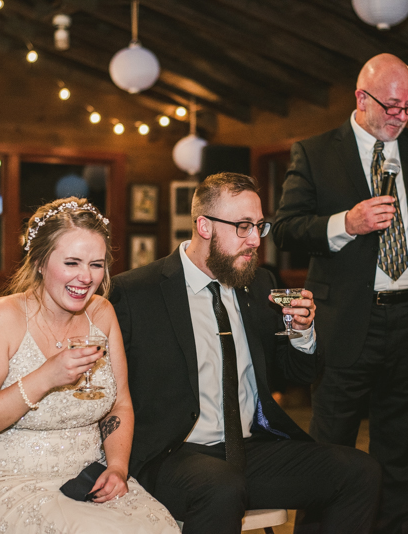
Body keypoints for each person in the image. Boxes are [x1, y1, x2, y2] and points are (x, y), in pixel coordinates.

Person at [109, 172, 381, 534]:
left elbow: (294, 375)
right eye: (243, 226)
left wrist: (301, 335)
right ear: (204, 226)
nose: (255, 239)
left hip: (249, 449)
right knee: (221, 486)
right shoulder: (135, 292)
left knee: (360, 472)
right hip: (172, 455)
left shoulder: (259, 284)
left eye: (259, 226)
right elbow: (109, 391)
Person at [273, 53, 408, 534]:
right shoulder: (316, 152)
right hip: (346, 324)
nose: (401, 116)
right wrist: (347, 222)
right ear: (361, 99)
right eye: (392, 106)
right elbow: (286, 229)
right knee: (329, 452)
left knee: (403, 457)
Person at [0, 197, 179, 534]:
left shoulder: (102, 314)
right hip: (6, 480)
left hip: (86, 477)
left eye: (96, 264)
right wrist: (45, 377)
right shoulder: (4, 317)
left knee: (161, 529)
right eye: (72, 262)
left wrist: (116, 468)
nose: (85, 277)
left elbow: (121, 404)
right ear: (40, 262)